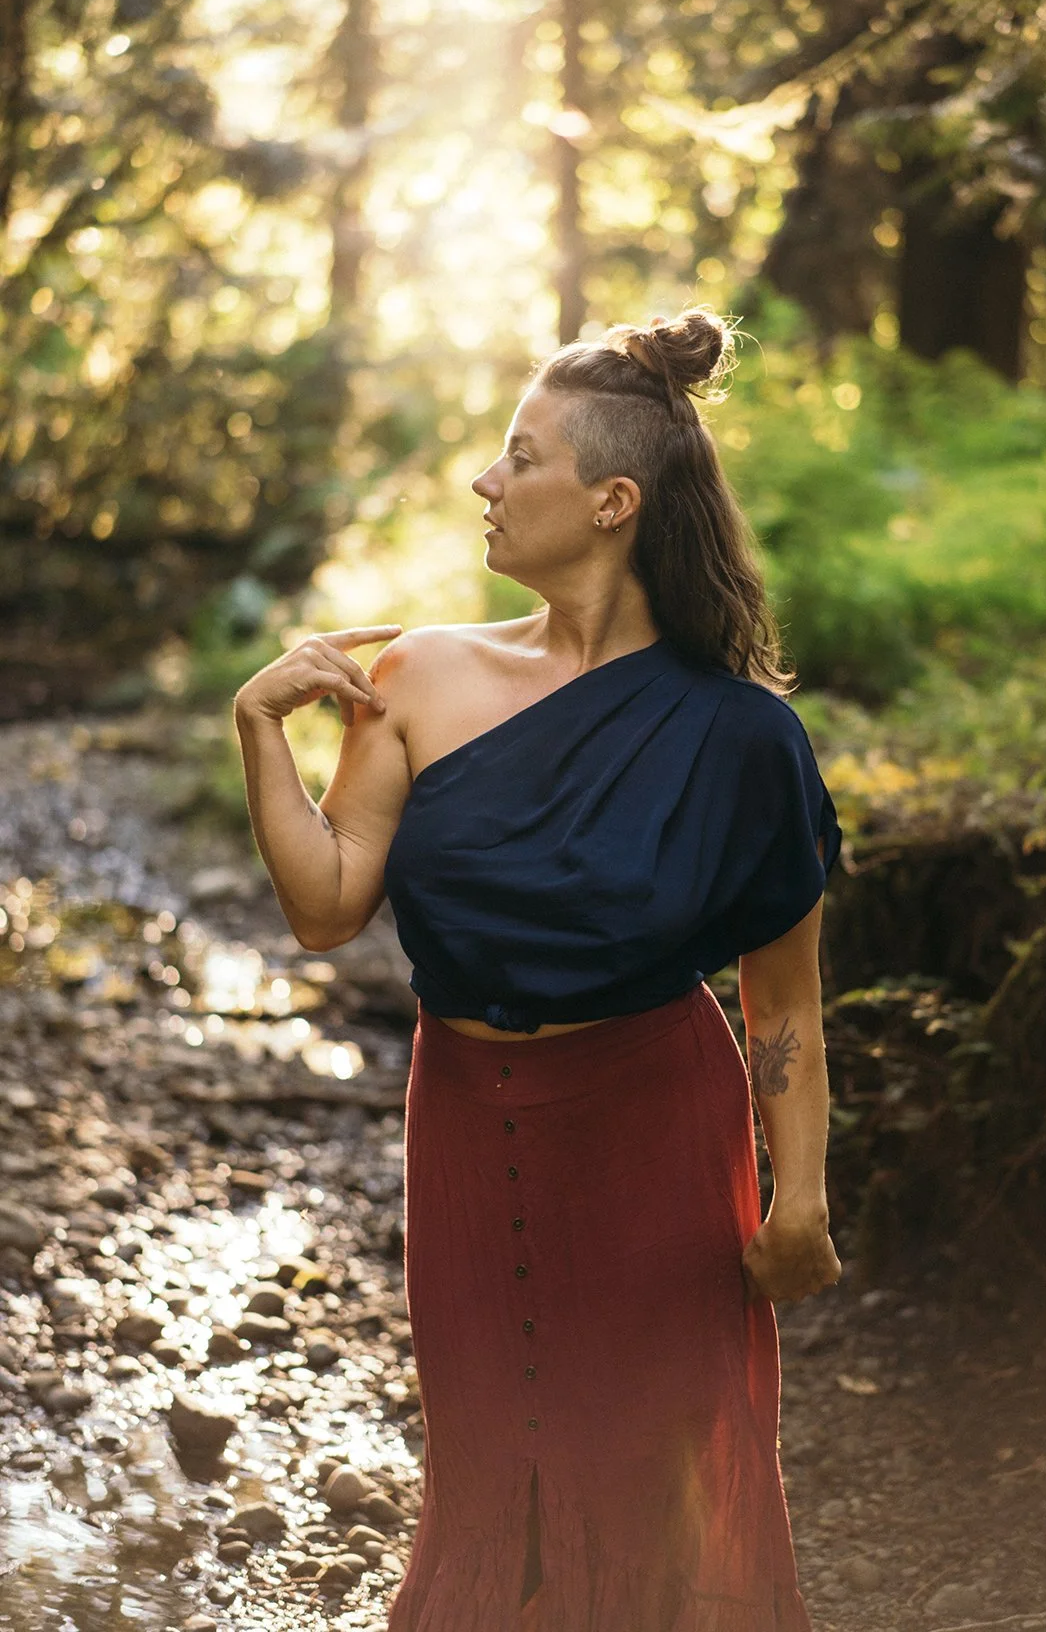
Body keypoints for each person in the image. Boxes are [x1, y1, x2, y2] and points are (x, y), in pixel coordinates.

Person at [233, 305, 844, 1632]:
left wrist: (798, 1198)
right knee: (495, 1469)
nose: (486, 483)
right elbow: (329, 906)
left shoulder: (744, 741)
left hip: (655, 1130)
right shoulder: (419, 675)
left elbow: (780, 998)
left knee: (652, 1473)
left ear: (612, 501)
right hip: (466, 1123)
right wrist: (258, 729)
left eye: (521, 459)